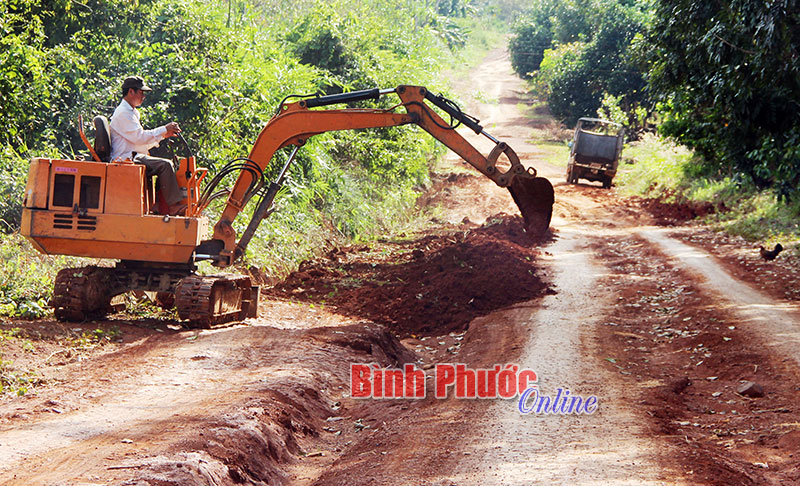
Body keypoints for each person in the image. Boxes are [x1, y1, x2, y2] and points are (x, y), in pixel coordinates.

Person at [109, 76, 184, 215]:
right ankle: (172, 206)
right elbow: (140, 138)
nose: (143, 96)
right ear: (131, 91)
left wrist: (163, 135)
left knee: (161, 165)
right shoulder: (123, 113)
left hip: (133, 154)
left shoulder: (131, 112)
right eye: (141, 92)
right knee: (165, 165)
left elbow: (140, 143)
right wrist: (163, 129)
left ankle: (157, 205)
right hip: (126, 158)